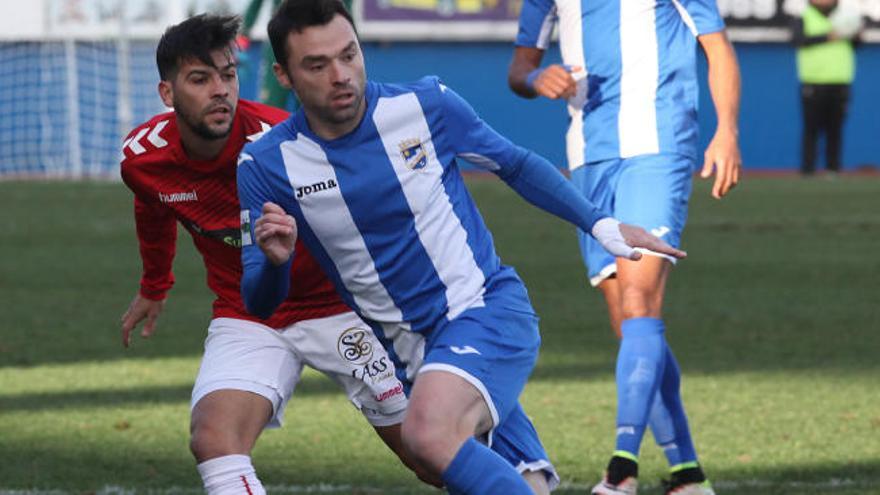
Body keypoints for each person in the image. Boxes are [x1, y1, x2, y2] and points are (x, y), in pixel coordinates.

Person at [236, 1, 686, 493]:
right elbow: (260, 299)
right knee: (509, 479)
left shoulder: (425, 105)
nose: (340, 75)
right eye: (317, 65)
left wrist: (601, 224)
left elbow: (513, 163)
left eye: (349, 55)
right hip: (411, 356)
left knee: (428, 434)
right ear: (284, 73)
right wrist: (276, 264)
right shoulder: (264, 165)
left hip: (484, 312)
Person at [118, 14, 429, 495]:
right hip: (249, 314)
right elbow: (153, 203)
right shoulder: (143, 158)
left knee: (432, 457)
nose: (220, 90)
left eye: (228, 74)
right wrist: (154, 285)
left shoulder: (286, 139)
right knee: (214, 439)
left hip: (343, 310)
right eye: (200, 79)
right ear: (167, 93)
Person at [508, 1, 741, 494]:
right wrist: (537, 80)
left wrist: (727, 131)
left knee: (640, 303)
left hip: (658, 144)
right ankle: (687, 475)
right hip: (589, 158)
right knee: (631, 324)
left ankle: (621, 470)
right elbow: (520, 69)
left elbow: (717, 47)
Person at [792, 0, 861, 176]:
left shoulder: (846, 16)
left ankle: (833, 169)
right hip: (813, 82)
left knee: (835, 129)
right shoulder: (803, 16)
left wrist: (854, 33)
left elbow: (857, 44)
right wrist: (828, 36)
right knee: (811, 129)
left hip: (840, 81)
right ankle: (808, 170)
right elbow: (798, 40)